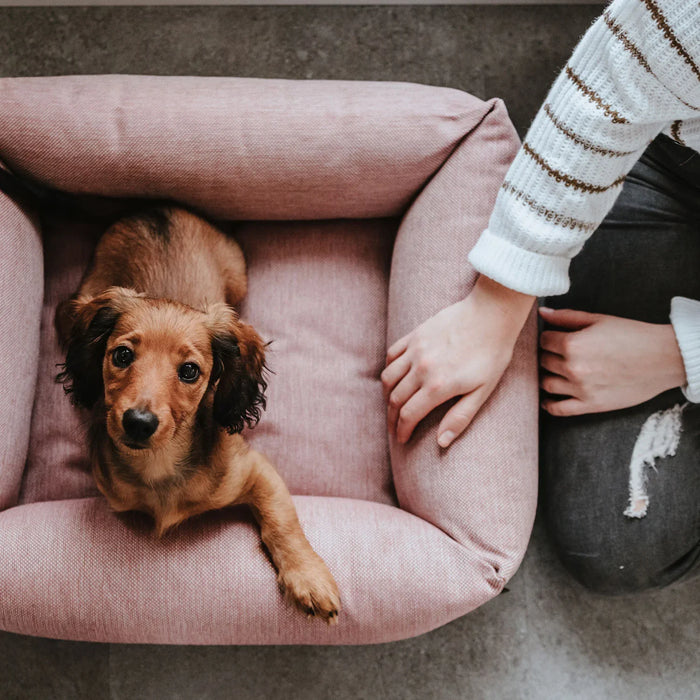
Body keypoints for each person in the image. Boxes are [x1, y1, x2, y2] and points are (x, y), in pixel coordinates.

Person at [382, 0, 700, 593]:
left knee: (621, 549)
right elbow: (611, 86)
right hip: (683, 162)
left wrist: (680, 355)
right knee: (610, 539)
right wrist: (498, 302)